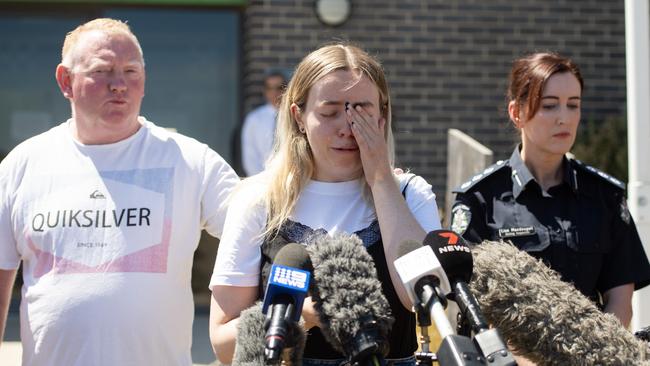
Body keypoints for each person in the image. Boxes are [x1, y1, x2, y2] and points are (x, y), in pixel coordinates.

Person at [0, 18, 239, 365]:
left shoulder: (190, 161)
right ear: (66, 81)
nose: (120, 85)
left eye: (131, 71)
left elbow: (259, 233)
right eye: (102, 71)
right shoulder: (22, 166)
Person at [209, 43, 441, 365]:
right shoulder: (257, 200)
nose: (346, 128)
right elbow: (222, 343)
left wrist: (381, 180)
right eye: (329, 113)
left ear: (382, 116)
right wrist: (302, 315)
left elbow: (422, 299)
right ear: (299, 117)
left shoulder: (410, 193)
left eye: (362, 111)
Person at [451, 52, 650, 327]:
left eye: (573, 105)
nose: (564, 118)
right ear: (516, 113)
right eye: (550, 105)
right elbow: (474, 303)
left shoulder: (606, 196)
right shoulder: (481, 198)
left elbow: (620, 301)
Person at [240, 70, 286, 176]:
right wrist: (261, 182)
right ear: (264, 90)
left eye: (278, 87)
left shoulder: (295, 116)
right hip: (261, 181)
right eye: (269, 88)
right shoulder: (254, 119)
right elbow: (250, 156)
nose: (274, 92)